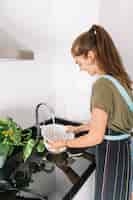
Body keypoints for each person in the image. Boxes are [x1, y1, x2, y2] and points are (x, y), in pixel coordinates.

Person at [48, 24, 133, 200]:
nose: (81, 68)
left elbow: (96, 137)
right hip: (123, 150)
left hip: (111, 154)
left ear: (91, 55)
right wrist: (79, 129)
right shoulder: (120, 80)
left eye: (79, 63)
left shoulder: (102, 85)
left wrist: (63, 143)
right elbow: (114, 121)